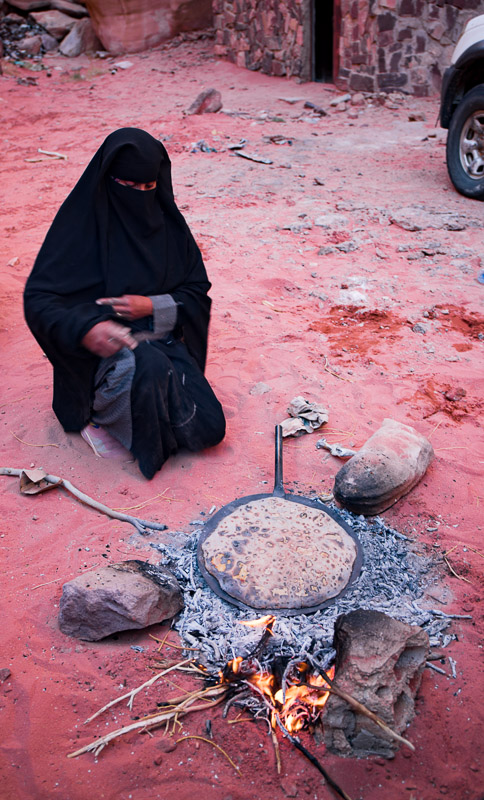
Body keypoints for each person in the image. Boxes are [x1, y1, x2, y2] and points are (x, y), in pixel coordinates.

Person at [24, 127, 226, 479]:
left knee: (208, 428)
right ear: (107, 180)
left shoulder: (169, 227)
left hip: (158, 341)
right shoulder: (79, 227)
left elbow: (197, 290)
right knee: (143, 369)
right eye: (128, 187)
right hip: (97, 358)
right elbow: (39, 299)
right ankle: (99, 416)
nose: (140, 196)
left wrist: (152, 305)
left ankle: (139, 410)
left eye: (148, 187)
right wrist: (86, 328)